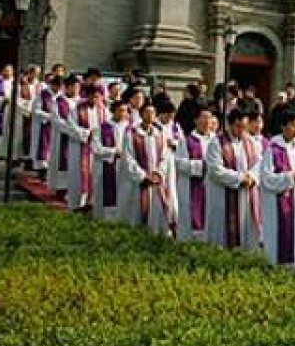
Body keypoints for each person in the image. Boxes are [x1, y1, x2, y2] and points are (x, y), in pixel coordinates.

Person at [205, 108, 262, 249]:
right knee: (223, 238)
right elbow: (215, 170)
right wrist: (240, 178)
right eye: (239, 126)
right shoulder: (216, 143)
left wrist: (252, 176)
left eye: (244, 126)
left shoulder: (250, 142)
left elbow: (259, 163)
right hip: (223, 198)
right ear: (230, 125)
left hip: (246, 196)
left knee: (246, 237)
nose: (242, 130)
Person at [260, 107, 295, 266]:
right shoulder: (273, 149)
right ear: (283, 126)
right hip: (278, 205)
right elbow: (266, 179)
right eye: (293, 125)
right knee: (279, 243)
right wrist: (291, 177)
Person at [121, 103, 177, 234]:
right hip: (139, 182)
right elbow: (128, 158)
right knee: (137, 212)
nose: (150, 115)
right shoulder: (132, 134)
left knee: (156, 213)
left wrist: (158, 173)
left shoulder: (159, 134)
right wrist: (143, 176)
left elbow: (164, 156)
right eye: (147, 112)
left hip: (156, 181)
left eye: (153, 113)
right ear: (141, 114)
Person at [174, 105, 216, 242]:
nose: (206, 121)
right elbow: (179, 163)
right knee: (190, 225)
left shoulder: (216, 141)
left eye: (209, 118)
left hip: (212, 188)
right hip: (191, 187)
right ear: (195, 120)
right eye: (203, 118)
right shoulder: (186, 141)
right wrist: (201, 166)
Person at [64, 86, 108, 211]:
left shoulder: (104, 110)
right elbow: (71, 126)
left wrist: (99, 136)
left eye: (98, 97)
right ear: (87, 96)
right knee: (78, 176)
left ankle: (91, 203)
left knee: (94, 175)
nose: (96, 99)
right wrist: (89, 133)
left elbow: (108, 127)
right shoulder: (76, 110)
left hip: (96, 150)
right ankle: (76, 204)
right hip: (79, 148)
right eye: (93, 96)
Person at [92, 100, 129, 220]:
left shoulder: (130, 128)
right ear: (113, 111)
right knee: (103, 195)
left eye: (125, 111)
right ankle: (101, 219)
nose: (123, 113)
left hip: (124, 167)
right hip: (105, 166)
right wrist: (114, 151)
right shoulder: (102, 127)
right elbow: (96, 148)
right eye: (121, 110)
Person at [47, 75, 81, 196]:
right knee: (62, 161)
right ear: (67, 87)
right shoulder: (58, 102)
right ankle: (61, 188)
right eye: (75, 87)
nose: (77, 90)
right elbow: (56, 120)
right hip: (63, 138)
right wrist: (73, 130)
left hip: (79, 139)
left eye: (78, 87)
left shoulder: (81, 102)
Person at [30, 74, 59, 175]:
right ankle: (41, 171)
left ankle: (49, 170)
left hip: (55, 126)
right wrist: (50, 116)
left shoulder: (59, 96)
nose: (58, 88)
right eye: (57, 86)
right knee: (42, 147)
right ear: (52, 85)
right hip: (43, 125)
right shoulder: (43, 95)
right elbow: (36, 110)